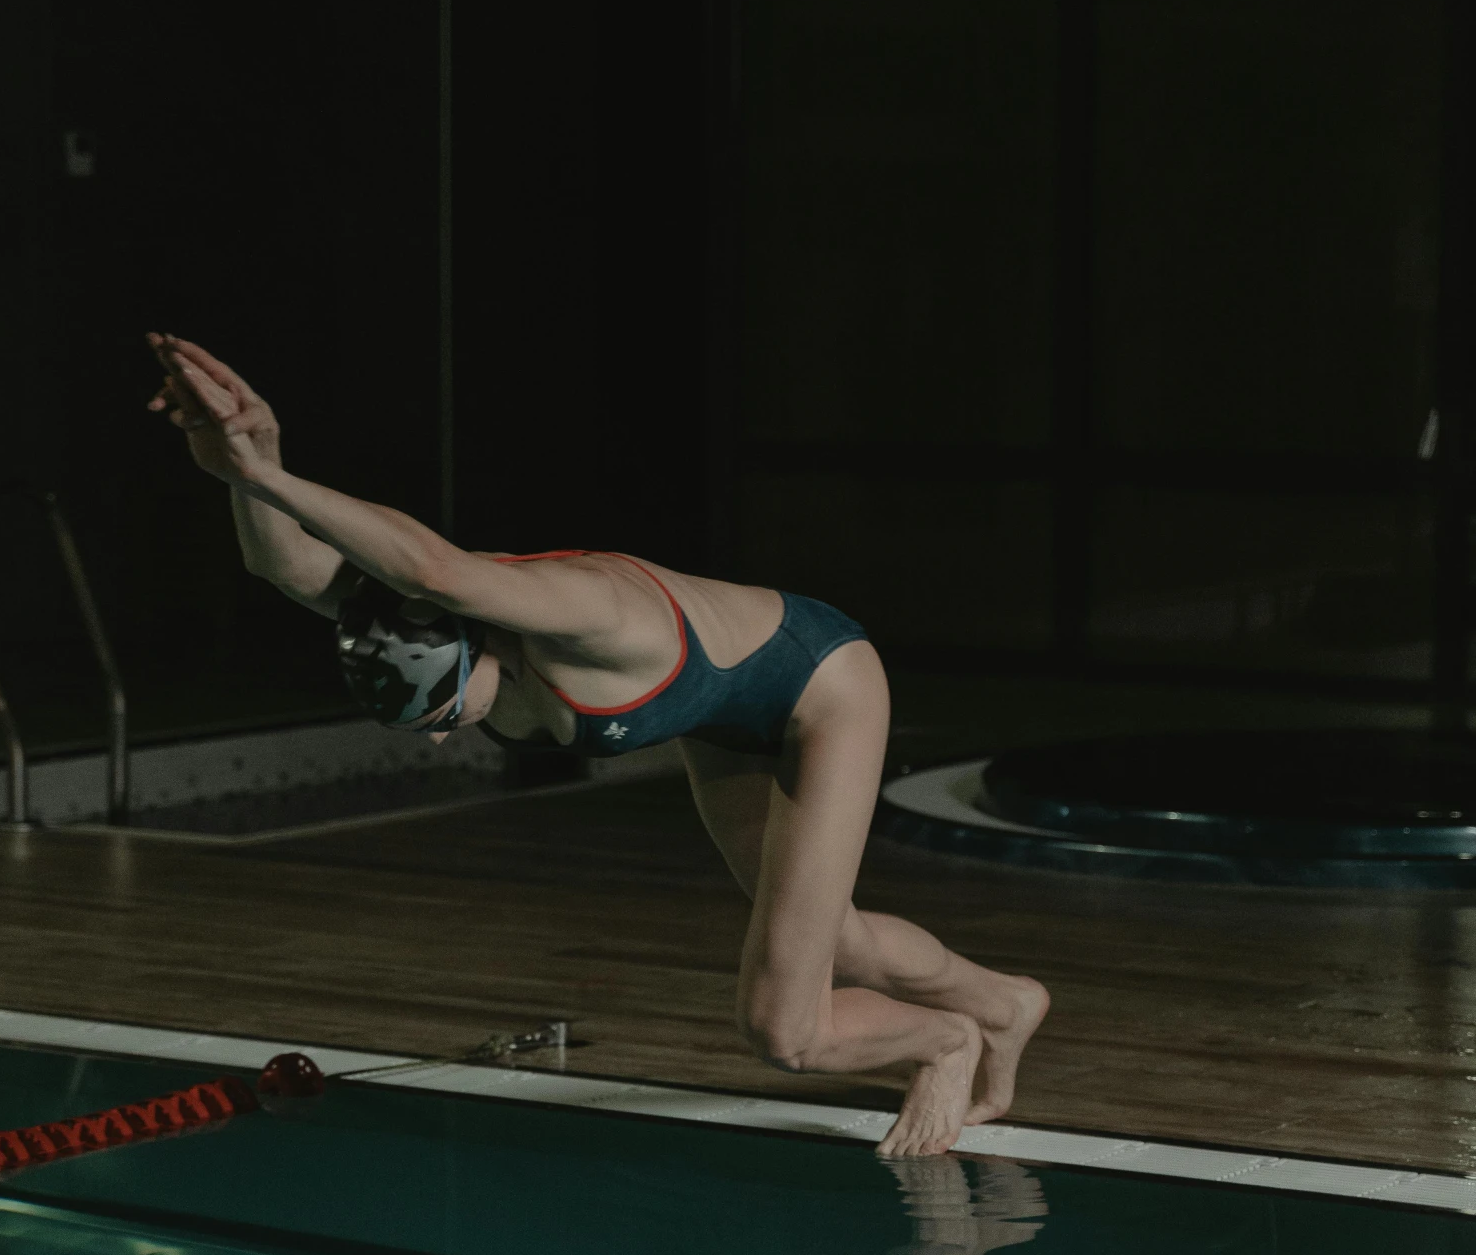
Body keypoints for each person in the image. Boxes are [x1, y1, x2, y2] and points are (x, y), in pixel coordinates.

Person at [146, 332, 1048, 1155]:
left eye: (453, 712)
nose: (454, 733)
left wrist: (277, 477)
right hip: (720, 713)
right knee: (838, 945)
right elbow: (284, 565)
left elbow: (432, 565)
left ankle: (943, 1039)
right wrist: (235, 468)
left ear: (473, 641)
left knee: (786, 1029)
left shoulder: (583, 613)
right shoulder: (416, 622)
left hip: (821, 687)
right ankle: (1002, 1002)